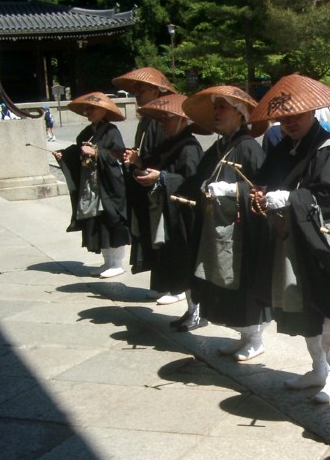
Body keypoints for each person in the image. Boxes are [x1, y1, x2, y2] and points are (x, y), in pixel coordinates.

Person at [249, 74, 330, 403]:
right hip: (288, 237)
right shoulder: (282, 149)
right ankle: (317, 367)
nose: (289, 122)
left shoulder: (328, 149)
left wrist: (289, 199)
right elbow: (264, 182)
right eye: (284, 117)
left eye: (296, 115)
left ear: (312, 113)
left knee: (327, 305)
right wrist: (259, 194)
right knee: (299, 303)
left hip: (320, 240)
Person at [182, 85, 272, 346]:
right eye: (215, 107)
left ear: (240, 114)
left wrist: (234, 191)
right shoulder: (220, 146)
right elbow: (199, 178)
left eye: (223, 107)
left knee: (242, 284)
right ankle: (243, 335)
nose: (217, 112)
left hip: (241, 232)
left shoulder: (248, 148)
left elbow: (260, 190)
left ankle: (254, 337)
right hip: (218, 228)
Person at [129, 93, 207, 330]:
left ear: (182, 120)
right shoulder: (171, 144)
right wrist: (140, 164)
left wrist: (162, 177)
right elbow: (156, 163)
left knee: (188, 262)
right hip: (169, 213)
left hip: (186, 216)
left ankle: (198, 312)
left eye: (168, 120)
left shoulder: (190, 148)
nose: (163, 125)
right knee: (176, 261)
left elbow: (193, 182)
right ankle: (191, 310)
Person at [111, 67, 179, 291]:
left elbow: (166, 155)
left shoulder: (161, 122)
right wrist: (136, 159)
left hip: (162, 187)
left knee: (164, 236)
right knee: (150, 236)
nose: (137, 94)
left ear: (157, 91)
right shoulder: (145, 122)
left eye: (142, 89)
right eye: (136, 90)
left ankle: (172, 286)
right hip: (147, 186)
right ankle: (162, 284)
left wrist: (145, 163)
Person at [53, 92, 130, 278]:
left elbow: (118, 156)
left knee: (112, 220)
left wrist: (96, 153)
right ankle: (107, 261)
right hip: (92, 186)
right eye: (86, 109)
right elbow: (77, 150)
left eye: (92, 108)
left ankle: (117, 262)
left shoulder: (112, 131)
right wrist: (65, 155)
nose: (88, 111)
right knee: (97, 223)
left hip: (109, 185)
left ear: (103, 110)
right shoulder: (87, 132)